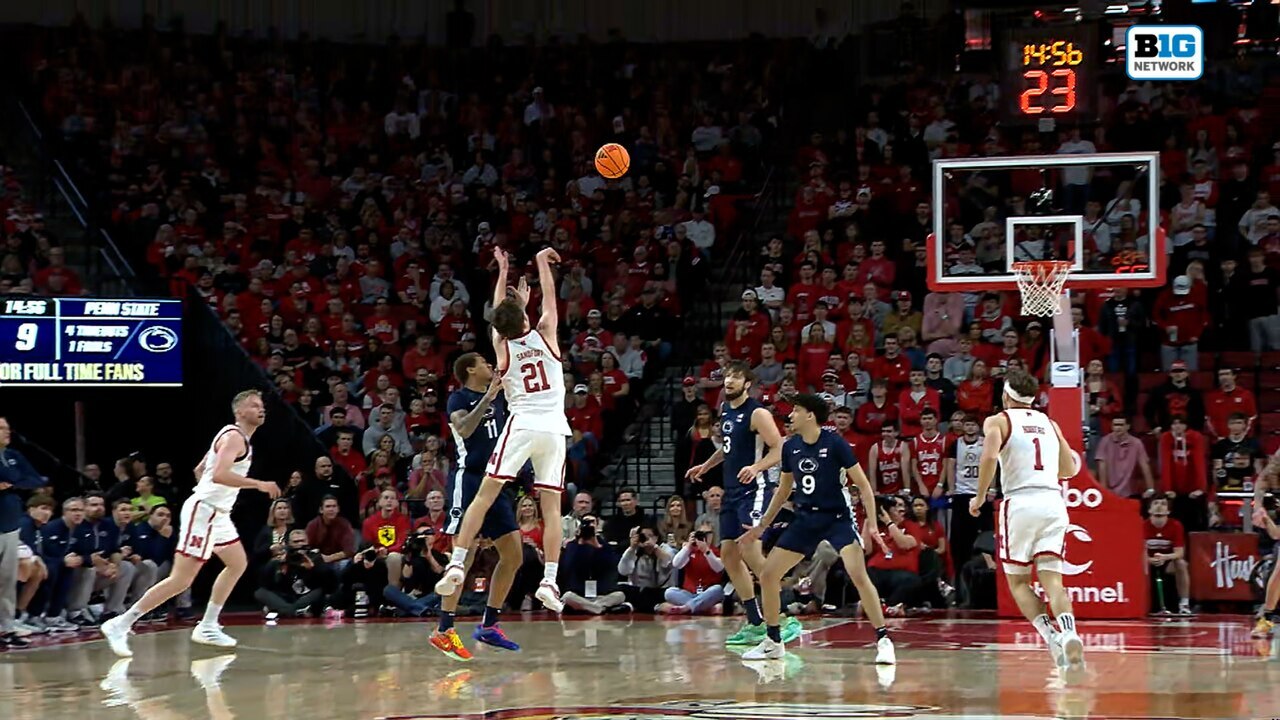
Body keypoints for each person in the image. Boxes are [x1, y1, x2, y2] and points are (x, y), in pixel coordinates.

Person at [436, 247, 569, 613]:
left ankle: (456, 562)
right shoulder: (546, 333)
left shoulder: (502, 347)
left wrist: (503, 271)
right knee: (552, 508)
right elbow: (551, 299)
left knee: (483, 496)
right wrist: (542, 263)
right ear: (526, 315)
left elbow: (499, 318)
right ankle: (550, 581)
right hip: (554, 428)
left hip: (522, 424)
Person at [101, 390, 282, 658]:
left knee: (237, 563)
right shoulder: (234, 437)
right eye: (254, 405)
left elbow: (201, 470)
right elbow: (219, 474)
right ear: (239, 411)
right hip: (205, 512)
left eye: (262, 405)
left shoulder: (232, 436)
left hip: (216, 512)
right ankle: (120, 623)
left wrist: (210, 493)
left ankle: (208, 625)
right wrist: (258, 484)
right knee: (181, 580)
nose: (261, 409)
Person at [738, 393, 895, 664]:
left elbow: (864, 487)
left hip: (837, 518)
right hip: (806, 519)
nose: (790, 415)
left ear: (810, 415)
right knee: (769, 574)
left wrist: (873, 525)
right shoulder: (790, 447)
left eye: (796, 410)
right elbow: (784, 490)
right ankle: (773, 641)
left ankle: (883, 639)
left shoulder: (836, 444)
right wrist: (761, 526)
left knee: (858, 573)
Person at [969, 369, 1083, 669]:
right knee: (1053, 580)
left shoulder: (998, 421)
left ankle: (1051, 638)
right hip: (1052, 501)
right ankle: (1070, 631)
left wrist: (980, 497)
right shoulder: (1049, 422)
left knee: (1018, 582)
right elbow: (1070, 469)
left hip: (1020, 502)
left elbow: (990, 457)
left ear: (1006, 396)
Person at [685, 361, 792, 647]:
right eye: (727, 376)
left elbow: (780, 448)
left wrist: (757, 468)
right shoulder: (726, 410)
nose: (729, 380)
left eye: (736, 377)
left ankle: (781, 615)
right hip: (732, 491)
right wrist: (706, 467)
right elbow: (728, 449)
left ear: (747, 384)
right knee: (729, 555)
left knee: (750, 551)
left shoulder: (757, 412)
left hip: (754, 490)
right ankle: (756, 621)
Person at [430, 352, 524, 660]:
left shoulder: (499, 398)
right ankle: (444, 630)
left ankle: (489, 624)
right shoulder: (458, 399)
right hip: (468, 481)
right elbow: (466, 429)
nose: (489, 366)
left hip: (496, 481)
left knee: (513, 555)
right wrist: (488, 399)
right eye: (484, 362)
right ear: (470, 369)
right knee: (463, 557)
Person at [0, 417, 48, 647]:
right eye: (1, 428)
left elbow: (35, 479)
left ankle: (6, 628)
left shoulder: (14, 456)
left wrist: (11, 482)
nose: (7, 432)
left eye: (8, 428)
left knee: (7, 580)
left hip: (9, 526)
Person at [1144, 497, 1191, 614]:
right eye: (1156, 503)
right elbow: (1139, 552)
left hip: (1168, 560)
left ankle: (1184, 604)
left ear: (1168, 511)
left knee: (1181, 563)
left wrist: (1165, 558)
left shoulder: (1176, 525)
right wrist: (1150, 560)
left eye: (1163, 504)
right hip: (1148, 561)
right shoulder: (1142, 525)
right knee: (1137, 564)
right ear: (1149, 510)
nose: (1159, 506)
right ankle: (1142, 604)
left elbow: (1179, 552)